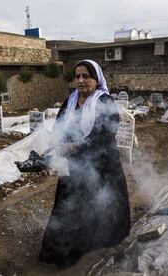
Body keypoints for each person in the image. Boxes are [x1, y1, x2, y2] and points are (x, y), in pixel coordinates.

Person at [39, 59, 131, 267]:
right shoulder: (69, 101)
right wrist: (57, 145)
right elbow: (60, 127)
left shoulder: (104, 102)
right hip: (75, 165)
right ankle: (61, 251)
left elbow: (106, 133)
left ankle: (99, 239)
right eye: (77, 76)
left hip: (102, 164)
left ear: (96, 80)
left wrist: (77, 146)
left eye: (86, 76)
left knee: (100, 202)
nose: (80, 81)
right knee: (70, 205)